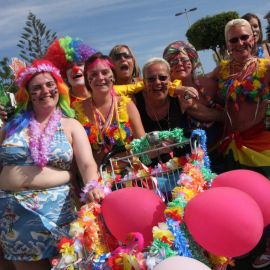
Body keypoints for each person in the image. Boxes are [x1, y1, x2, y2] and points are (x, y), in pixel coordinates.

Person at [0, 60, 100, 269]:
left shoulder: (71, 125)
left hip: (58, 214)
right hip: (14, 217)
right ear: (27, 94)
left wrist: (92, 184)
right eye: (36, 87)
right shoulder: (10, 127)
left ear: (59, 88)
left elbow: (87, 164)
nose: (45, 90)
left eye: (49, 84)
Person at [202, 18, 270, 269]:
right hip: (234, 145)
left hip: (264, 144)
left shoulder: (266, 67)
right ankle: (246, 244)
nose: (240, 43)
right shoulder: (222, 71)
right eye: (234, 39)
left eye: (244, 37)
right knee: (244, 200)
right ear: (227, 45)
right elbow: (199, 85)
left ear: (253, 38)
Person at [73, 52, 145, 166]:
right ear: (87, 79)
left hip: (130, 175)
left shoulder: (127, 104)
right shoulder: (78, 110)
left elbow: (143, 144)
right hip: (96, 178)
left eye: (105, 72)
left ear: (113, 76)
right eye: (94, 74)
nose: (100, 78)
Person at [162, 41, 224, 157]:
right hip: (189, 160)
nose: (180, 64)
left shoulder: (208, 84)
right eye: (174, 61)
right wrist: (223, 116)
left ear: (192, 62)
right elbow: (200, 111)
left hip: (222, 150)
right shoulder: (167, 93)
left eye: (185, 60)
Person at [43, 36, 96, 106]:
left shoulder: (101, 94)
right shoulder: (62, 103)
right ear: (64, 73)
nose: (75, 69)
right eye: (69, 67)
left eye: (80, 64)